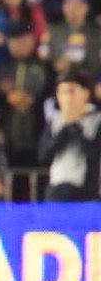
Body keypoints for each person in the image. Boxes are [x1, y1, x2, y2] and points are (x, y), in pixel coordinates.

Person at [40, 67, 100, 202]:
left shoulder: (97, 120)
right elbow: (44, 155)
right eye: (62, 92)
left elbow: (94, 154)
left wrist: (76, 128)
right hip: (57, 187)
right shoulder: (55, 120)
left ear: (85, 93)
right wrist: (65, 129)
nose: (67, 98)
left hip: (86, 190)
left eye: (71, 92)